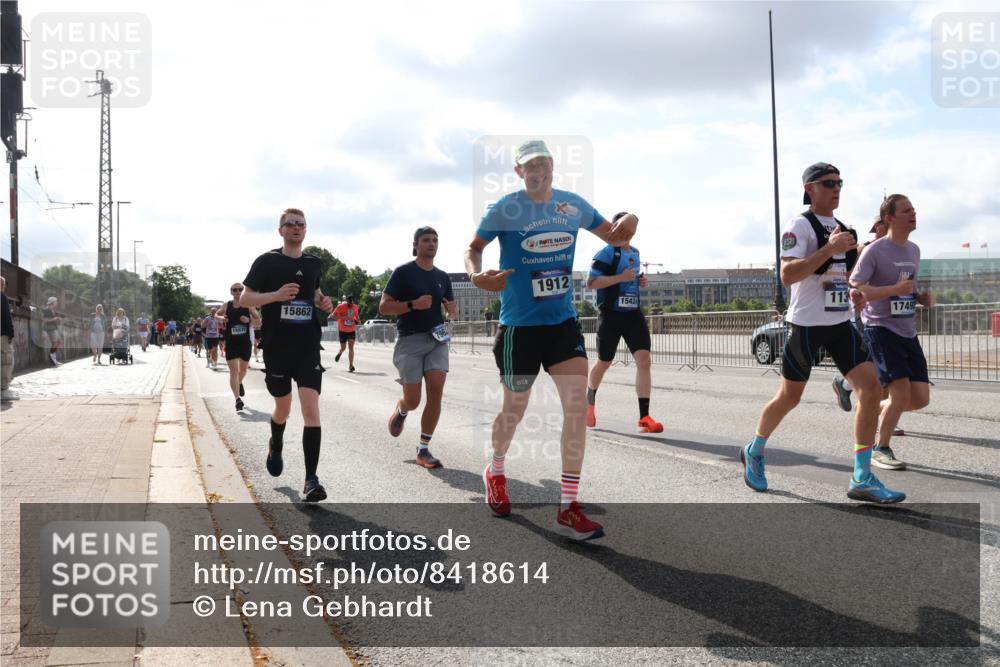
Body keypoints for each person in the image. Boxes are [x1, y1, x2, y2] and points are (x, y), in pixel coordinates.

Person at [464, 139, 638, 540]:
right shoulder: (504, 209)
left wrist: (631, 218)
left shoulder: (572, 205)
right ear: (519, 171)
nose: (538, 170)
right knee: (514, 409)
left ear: (553, 166)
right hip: (519, 328)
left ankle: (568, 507)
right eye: (530, 165)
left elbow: (615, 237)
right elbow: (473, 248)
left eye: (543, 163)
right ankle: (496, 469)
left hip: (562, 324)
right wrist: (476, 275)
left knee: (576, 408)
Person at [740, 162, 905, 504]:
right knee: (789, 398)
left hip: (840, 324)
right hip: (806, 325)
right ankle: (754, 449)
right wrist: (829, 249)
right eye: (829, 183)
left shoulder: (843, 228)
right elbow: (788, 275)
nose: (836, 188)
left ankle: (862, 476)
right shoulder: (800, 225)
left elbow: (840, 276)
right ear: (810, 189)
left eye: (840, 182)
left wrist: (852, 292)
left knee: (871, 388)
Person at [241, 207, 334, 503]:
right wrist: (275, 296)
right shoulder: (266, 261)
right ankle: (276, 443)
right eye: (290, 223)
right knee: (283, 408)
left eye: (300, 224)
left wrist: (323, 302)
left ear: (306, 230)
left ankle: (311, 480)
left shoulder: (313, 263)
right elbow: (245, 297)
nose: (296, 227)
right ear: (280, 230)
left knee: (311, 409)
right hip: (277, 347)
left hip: (307, 346)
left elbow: (315, 292)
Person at [850, 194, 933, 471]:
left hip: (907, 331)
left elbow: (909, 287)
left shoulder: (914, 250)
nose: (913, 213)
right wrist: (893, 290)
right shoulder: (874, 250)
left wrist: (921, 297)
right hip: (881, 328)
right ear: (889, 218)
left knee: (920, 398)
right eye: (906, 210)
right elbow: (857, 287)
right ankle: (880, 448)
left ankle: (871, 407)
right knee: (900, 394)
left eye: (914, 209)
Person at [381, 226, 456, 469]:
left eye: (435, 240)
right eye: (426, 240)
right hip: (410, 341)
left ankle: (423, 449)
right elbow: (384, 307)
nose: (431, 244)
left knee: (436, 390)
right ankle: (402, 409)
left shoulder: (442, 277)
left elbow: (452, 311)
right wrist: (413, 304)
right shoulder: (403, 273)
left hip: (437, 340)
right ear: (415, 244)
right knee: (413, 400)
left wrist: (451, 311)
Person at [585, 212, 663, 433]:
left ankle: (644, 418)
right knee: (604, 362)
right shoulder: (605, 253)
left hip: (633, 314)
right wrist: (621, 278)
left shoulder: (635, 253)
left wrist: (639, 281)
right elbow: (591, 282)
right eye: (626, 228)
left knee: (644, 361)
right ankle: (589, 404)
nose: (629, 232)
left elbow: (631, 278)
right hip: (610, 315)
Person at [831, 215, 906, 437]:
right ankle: (878, 415)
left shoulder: (897, 251)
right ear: (878, 227)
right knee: (880, 368)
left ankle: (845, 385)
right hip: (867, 314)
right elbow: (849, 278)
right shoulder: (865, 249)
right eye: (888, 224)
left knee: (881, 366)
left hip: (889, 316)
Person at [218, 283, 258, 412]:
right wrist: (221, 317)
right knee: (233, 371)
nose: (237, 291)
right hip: (231, 343)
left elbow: (259, 321)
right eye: (235, 290)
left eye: (240, 289)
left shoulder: (249, 305)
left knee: (243, 370)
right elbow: (216, 315)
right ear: (231, 292)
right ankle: (237, 399)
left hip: (245, 343)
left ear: (243, 291)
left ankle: (239, 382)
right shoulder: (227, 305)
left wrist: (249, 320)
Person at [332, 295, 360, 372]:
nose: (351, 305)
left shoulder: (355, 307)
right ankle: (340, 353)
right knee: (343, 348)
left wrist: (357, 321)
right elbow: (333, 316)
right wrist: (343, 318)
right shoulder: (340, 306)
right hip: (342, 330)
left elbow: (357, 316)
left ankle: (351, 365)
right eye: (349, 303)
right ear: (347, 301)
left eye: (352, 303)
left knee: (351, 348)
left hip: (351, 330)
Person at [1, 276, 17, 401]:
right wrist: (11, 334)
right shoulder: (2, 298)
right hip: (2, 335)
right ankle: (3, 389)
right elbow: (6, 317)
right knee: (7, 362)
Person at [41, 296, 62, 365]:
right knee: (55, 343)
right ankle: (53, 358)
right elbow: (44, 320)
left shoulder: (52, 310)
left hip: (54, 328)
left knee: (59, 342)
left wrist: (57, 319)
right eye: (56, 302)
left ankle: (53, 357)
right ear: (53, 302)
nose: (57, 303)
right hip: (50, 329)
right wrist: (43, 331)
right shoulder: (46, 310)